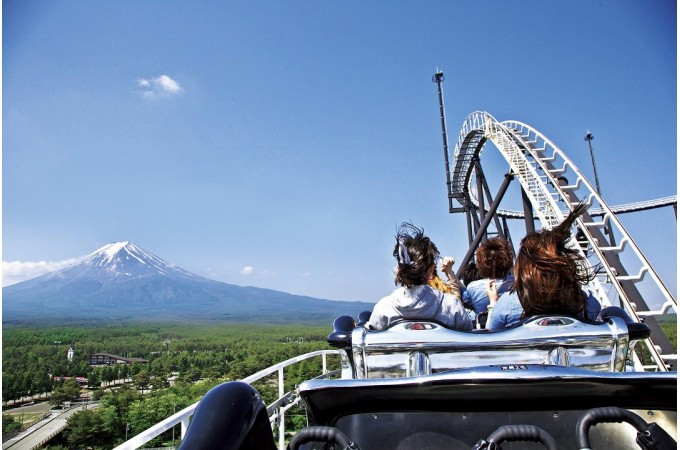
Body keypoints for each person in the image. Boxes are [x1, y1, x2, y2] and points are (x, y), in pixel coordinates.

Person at [486, 203, 601, 330]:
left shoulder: (507, 304)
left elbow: (489, 335)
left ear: (524, 269)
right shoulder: (585, 302)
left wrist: (492, 304)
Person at [367, 223, 472, 331]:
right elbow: (468, 337)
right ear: (431, 269)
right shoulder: (451, 306)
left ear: (399, 268)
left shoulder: (384, 308)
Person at [462, 237, 514, 315]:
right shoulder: (518, 283)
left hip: (484, 325)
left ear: (480, 265)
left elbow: (464, 301)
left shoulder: (472, 288)